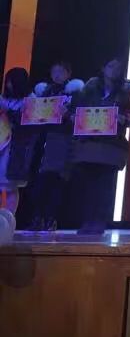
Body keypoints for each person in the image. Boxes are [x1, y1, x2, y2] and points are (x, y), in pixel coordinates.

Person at [69, 57, 130, 234]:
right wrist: (75, 117)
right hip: (89, 144)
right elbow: (76, 109)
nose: (114, 70)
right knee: (89, 185)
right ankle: (87, 221)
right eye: (111, 66)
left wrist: (123, 119)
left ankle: (99, 221)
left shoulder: (125, 93)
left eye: (118, 67)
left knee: (105, 186)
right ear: (103, 68)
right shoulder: (89, 90)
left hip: (111, 146)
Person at [27, 61, 83, 232]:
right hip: (42, 139)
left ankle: (51, 219)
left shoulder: (74, 93)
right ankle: (37, 218)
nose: (57, 75)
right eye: (54, 72)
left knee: (56, 180)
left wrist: (68, 114)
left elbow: (79, 117)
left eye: (61, 72)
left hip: (62, 139)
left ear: (68, 74)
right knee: (40, 182)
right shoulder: (44, 92)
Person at [0, 69, 35, 220]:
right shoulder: (3, 99)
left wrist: (10, 113)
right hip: (2, 142)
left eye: (11, 81)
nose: (8, 85)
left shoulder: (30, 100)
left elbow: (29, 123)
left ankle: (9, 218)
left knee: (11, 185)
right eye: (7, 81)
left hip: (17, 147)